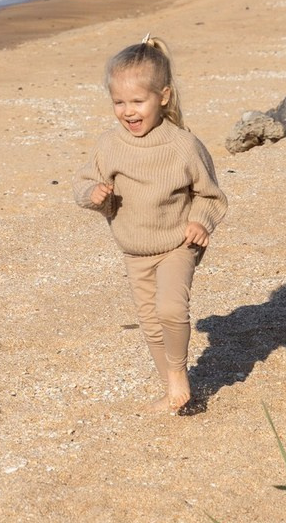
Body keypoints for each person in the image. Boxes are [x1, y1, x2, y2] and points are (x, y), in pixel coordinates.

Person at [75, 36, 228, 414]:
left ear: (163, 96)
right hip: (134, 249)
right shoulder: (110, 145)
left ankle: (178, 378)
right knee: (150, 322)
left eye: (136, 101)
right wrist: (95, 194)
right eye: (119, 102)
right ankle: (173, 390)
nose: (127, 111)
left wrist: (200, 222)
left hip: (178, 243)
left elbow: (211, 195)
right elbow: (82, 184)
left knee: (171, 310)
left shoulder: (182, 145)